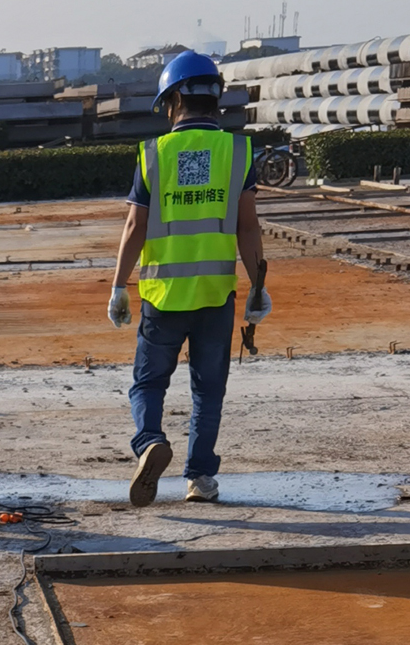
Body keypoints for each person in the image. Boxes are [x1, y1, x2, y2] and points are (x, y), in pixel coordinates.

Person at [107, 51, 270, 507]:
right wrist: (258, 286)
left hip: (163, 296)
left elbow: (135, 226)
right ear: (215, 97)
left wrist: (119, 286)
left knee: (148, 383)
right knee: (208, 391)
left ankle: (150, 441)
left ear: (174, 99)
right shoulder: (237, 152)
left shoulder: (154, 154)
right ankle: (199, 478)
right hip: (215, 296)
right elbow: (248, 226)